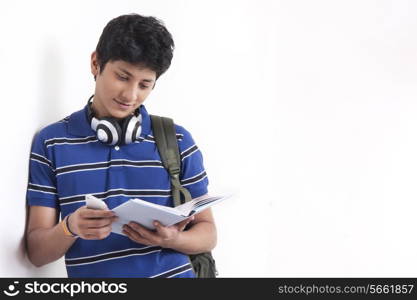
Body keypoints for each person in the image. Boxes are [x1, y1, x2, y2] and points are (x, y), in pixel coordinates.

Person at [25, 13, 216, 278]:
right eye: (123, 77)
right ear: (96, 63)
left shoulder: (178, 140)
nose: (131, 95)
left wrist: (171, 239)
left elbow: (208, 234)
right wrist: (69, 227)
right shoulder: (52, 143)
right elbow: (36, 253)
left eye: (144, 84)